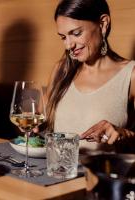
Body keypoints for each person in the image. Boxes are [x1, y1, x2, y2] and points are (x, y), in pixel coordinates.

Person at [46, 0, 135, 152]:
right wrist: (31, 128)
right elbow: (43, 122)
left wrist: (123, 133)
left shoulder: (131, 75)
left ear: (103, 23)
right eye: (63, 37)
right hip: (56, 172)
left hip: (99, 173)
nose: (68, 45)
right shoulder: (61, 70)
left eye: (76, 33)